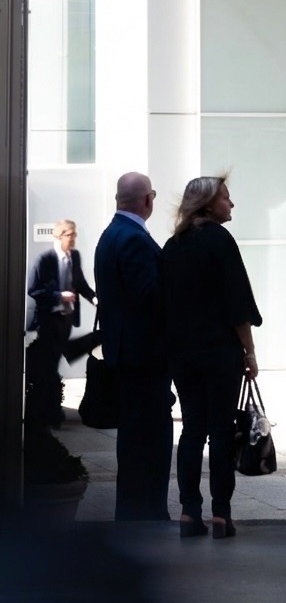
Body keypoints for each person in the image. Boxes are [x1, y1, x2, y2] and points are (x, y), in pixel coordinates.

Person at [160, 175, 262, 540]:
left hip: (183, 354)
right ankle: (221, 514)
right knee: (220, 432)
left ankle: (189, 512)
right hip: (220, 352)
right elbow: (237, 303)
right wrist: (249, 350)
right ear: (207, 203)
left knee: (191, 430)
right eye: (226, 198)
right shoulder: (220, 241)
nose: (231, 204)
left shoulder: (173, 246)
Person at [94, 172, 174, 521]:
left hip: (124, 353)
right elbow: (149, 297)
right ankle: (149, 511)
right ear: (148, 199)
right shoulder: (135, 239)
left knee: (131, 439)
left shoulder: (109, 235)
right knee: (151, 438)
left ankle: (131, 510)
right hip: (144, 356)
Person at [26, 220, 97, 427]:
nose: (73, 238)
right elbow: (34, 289)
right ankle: (51, 413)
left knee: (53, 361)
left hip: (67, 319)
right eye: (70, 235)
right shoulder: (45, 259)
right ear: (59, 237)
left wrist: (94, 299)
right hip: (48, 319)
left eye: (74, 234)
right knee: (50, 363)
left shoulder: (74, 256)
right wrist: (59, 296)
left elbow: (80, 283)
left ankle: (49, 411)